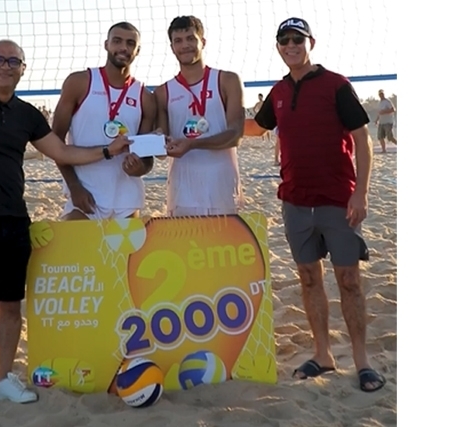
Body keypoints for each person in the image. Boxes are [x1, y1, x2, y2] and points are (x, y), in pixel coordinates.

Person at [0, 39, 131, 423]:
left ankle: (4, 378)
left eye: (13, 61)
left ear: (23, 69)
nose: (5, 67)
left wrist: (109, 150)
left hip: (14, 222)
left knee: (10, 306)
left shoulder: (26, 114)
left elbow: (61, 151)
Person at [254, 17, 386, 393]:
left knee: (349, 281)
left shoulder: (336, 85)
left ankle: (362, 361)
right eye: (284, 40)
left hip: (338, 199)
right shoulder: (278, 91)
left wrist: (360, 193)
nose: (291, 45)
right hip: (295, 201)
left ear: (311, 42)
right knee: (309, 277)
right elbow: (253, 128)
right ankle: (323, 354)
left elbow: (363, 140)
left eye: (297, 39)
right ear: (278, 47)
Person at [52, 22, 156, 220]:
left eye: (130, 43)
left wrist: (140, 167)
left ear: (138, 50)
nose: (123, 47)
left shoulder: (145, 97)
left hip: (126, 200)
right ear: (106, 44)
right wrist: (74, 186)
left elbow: (146, 158)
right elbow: (55, 142)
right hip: (85, 196)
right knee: (76, 248)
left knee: (127, 252)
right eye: (117, 41)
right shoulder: (79, 82)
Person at [154, 15, 245, 217]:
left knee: (223, 248)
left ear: (202, 42)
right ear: (172, 47)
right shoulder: (163, 92)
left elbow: (235, 135)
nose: (185, 45)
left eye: (190, 38)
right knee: (185, 248)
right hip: (182, 191)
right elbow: (161, 150)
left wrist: (193, 144)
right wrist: (155, 140)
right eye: (178, 41)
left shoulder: (227, 80)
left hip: (222, 186)